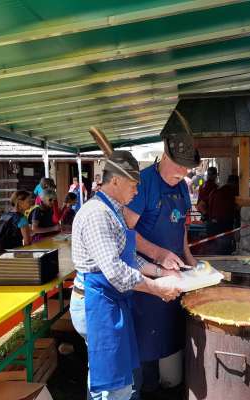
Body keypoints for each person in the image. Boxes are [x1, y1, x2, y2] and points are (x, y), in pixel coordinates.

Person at [70, 150, 181, 400]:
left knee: (113, 374)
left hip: (110, 300)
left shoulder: (115, 211)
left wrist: (161, 270)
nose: (137, 191)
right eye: (133, 185)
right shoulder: (97, 215)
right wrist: (157, 288)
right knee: (112, 380)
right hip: (96, 303)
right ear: (116, 180)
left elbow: (128, 256)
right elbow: (116, 272)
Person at [123, 116, 201, 398]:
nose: (182, 172)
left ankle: (169, 385)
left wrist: (190, 258)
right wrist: (159, 255)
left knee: (171, 332)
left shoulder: (181, 186)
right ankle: (144, 387)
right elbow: (127, 234)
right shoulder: (143, 183)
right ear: (164, 154)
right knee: (144, 341)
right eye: (178, 165)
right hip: (145, 277)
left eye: (187, 168)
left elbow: (181, 226)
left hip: (174, 274)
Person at [206, 175, 239, 254]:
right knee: (223, 247)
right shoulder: (230, 192)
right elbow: (233, 207)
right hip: (223, 223)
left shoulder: (217, 190)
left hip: (212, 222)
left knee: (214, 247)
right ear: (235, 183)